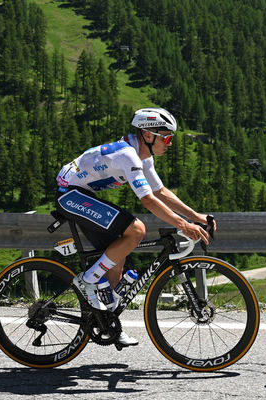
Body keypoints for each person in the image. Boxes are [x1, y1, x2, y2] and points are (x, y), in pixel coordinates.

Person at [56, 107, 211, 347]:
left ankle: (109, 325)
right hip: (70, 194)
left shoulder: (143, 156)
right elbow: (148, 200)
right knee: (136, 230)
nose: (170, 143)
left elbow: (159, 191)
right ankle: (87, 280)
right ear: (148, 135)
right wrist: (182, 224)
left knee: (117, 259)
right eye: (166, 137)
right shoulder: (128, 155)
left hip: (83, 193)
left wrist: (194, 216)